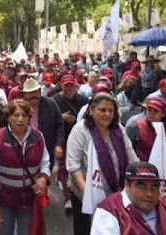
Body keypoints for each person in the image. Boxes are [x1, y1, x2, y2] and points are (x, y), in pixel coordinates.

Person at [66, 93, 139, 234]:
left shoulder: (119, 129)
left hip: (115, 192)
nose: (107, 114)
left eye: (110, 110)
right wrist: (87, 193)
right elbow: (73, 164)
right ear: (91, 111)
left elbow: (132, 159)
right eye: (102, 110)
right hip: (84, 192)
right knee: (85, 230)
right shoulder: (80, 130)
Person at [0, 99, 50, 235]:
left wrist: (43, 178)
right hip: (5, 202)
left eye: (24, 116)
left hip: (29, 201)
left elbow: (45, 162)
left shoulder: (38, 137)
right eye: (16, 115)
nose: (20, 120)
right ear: (8, 117)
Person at [91, 161, 166, 234]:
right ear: (127, 184)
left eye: (154, 187)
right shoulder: (110, 210)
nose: (149, 194)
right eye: (141, 186)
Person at [52, 74, 89, 213]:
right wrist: (61, 117)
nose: (69, 88)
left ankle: (80, 192)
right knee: (64, 166)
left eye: (71, 85)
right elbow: (49, 119)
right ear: (61, 85)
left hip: (81, 140)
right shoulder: (54, 100)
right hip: (62, 139)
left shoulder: (84, 100)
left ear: (76, 85)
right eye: (66, 85)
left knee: (81, 167)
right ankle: (68, 197)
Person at [21, 78, 64, 171]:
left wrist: (58, 145)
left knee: (46, 175)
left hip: (47, 147)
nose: (33, 95)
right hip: (26, 148)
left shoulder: (51, 103)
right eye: (30, 92)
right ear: (24, 94)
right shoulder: (19, 107)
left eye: (35, 92)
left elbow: (59, 125)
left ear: (40, 92)